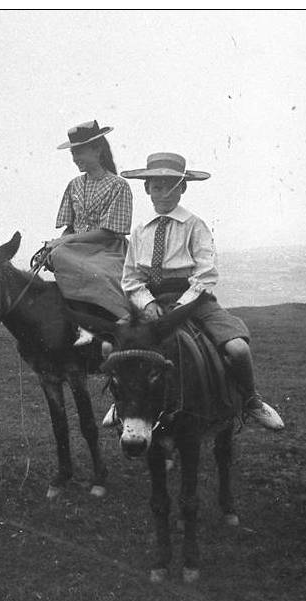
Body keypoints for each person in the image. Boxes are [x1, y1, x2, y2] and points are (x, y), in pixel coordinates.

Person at [117, 152, 284, 431]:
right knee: (116, 344)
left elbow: (205, 274)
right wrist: (147, 304)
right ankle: (123, 402)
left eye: (172, 186)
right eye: (157, 187)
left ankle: (251, 400)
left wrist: (180, 307)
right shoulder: (139, 232)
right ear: (146, 189)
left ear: (183, 188)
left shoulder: (195, 226)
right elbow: (131, 278)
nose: (164, 193)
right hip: (153, 302)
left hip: (193, 299)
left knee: (237, 348)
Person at [48, 120, 133, 346]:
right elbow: (70, 225)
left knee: (101, 274)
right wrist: (56, 243)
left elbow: (109, 233)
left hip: (108, 249)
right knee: (55, 256)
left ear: (97, 149)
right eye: (73, 153)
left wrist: (67, 240)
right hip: (76, 249)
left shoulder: (119, 185)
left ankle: (124, 314)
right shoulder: (74, 185)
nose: (75, 158)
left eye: (80, 151)